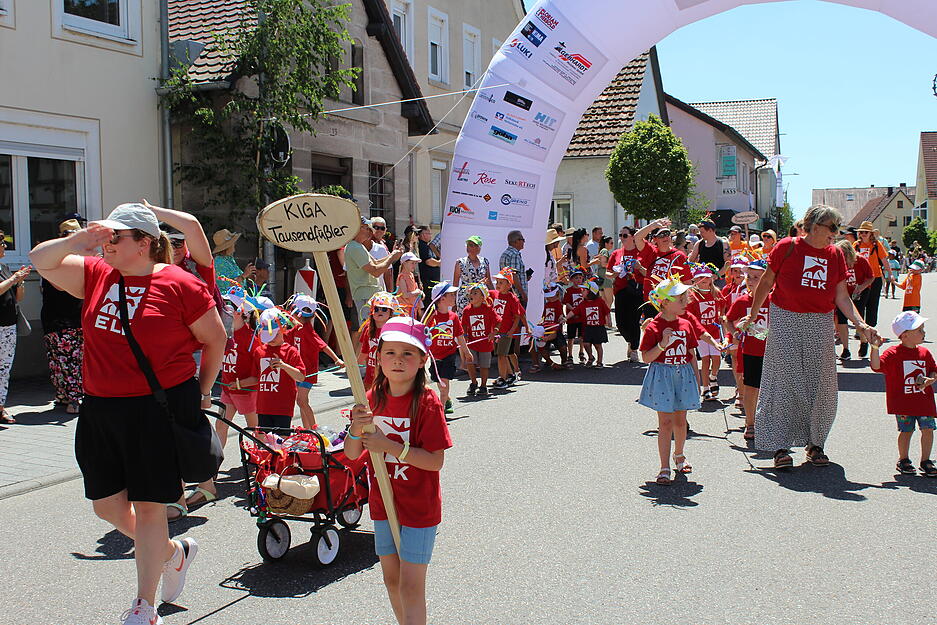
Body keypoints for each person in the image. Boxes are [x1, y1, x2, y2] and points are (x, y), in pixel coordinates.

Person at [29, 203, 226, 624]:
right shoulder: (97, 274)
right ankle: (171, 553)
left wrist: (204, 391)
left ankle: (144, 606)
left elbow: (216, 339)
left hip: (156, 408)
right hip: (100, 407)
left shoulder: (180, 283)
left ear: (144, 243)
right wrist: (79, 240)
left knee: (151, 506)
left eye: (116, 236)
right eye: (107, 235)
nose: (108, 242)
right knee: (107, 508)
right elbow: (40, 259)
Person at [743, 205, 878, 469]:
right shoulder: (786, 247)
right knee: (783, 382)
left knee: (821, 384)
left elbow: (842, 295)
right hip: (785, 317)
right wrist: (754, 313)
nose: (835, 233)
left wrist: (861, 324)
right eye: (832, 228)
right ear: (814, 226)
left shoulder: (835, 255)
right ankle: (780, 446)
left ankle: (816, 444)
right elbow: (767, 282)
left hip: (820, 321)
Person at [344, 316, 453, 625]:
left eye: (408, 353)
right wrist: (355, 428)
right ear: (378, 357)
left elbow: (435, 461)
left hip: (419, 508)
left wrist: (389, 446)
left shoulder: (427, 402)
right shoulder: (370, 399)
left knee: (410, 586)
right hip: (383, 503)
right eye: (390, 352)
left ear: (422, 359)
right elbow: (352, 454)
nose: (398, 360)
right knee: (392, 581)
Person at [639, 275, 723, 485]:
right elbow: (646, 357)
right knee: (665, 422)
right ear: (665, 302)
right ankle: (664, 466)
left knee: (680, 420)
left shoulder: (686, 323)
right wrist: (662, 344)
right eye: (681, 299)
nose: (686, 302)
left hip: (683, 375)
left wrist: (697, 379)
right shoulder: (654, 327)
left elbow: (691, 353)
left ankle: (679, 454)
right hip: (662, 376)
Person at [870, 311, 937, 477]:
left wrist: (931, 379)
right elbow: (876, 366)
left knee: (928, 429)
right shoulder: (893, 353)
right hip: (903, 403)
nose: (923, 332)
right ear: (905, 335)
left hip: (924, 401)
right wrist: (875, 347)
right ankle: (903, 459)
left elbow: (933, 370)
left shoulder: (925, 353)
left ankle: (926, 461)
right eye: (919, 330)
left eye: (923, 329)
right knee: (906, 431)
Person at [724, 259, 771, 440]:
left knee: (770, 389)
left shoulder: (775, 300)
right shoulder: (742, 301)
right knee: (750, 387)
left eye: (756, 277)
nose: (750, 280)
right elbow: (728, 320)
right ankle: (750, 423)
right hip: (751, 351)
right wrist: (735, 332)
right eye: (749, 277)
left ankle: (767, 422)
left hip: (772, 351)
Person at [41, 219, 84, 415]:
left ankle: (67, 396)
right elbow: (61, 286)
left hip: (74, 317)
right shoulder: (56, 261)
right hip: (59, 318)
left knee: (72, 360)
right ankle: (70, 399)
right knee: (62, 360)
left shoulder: (78, 260)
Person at [288, 294, 343, 429]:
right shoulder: (293, 329)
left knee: (301, 401)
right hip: (297, 370)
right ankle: (307, 430)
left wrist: (336, 359)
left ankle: (313, 429)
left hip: (308, 372)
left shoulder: (307, 330)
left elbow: (323, 346)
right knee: (301, 402)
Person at [345, 217, 404, 326]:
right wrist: (392, 257)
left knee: (376, 328)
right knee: (369, 329)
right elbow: (375, 271)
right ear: (358, 229)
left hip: (370, 295)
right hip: (365, 296)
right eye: (367, 228)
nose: (371, 231)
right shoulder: (355, 247)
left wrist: (392, 255)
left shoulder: (358, 246)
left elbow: (376, 263)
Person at [254, 307, 305, 429]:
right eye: (268, 336)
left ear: (284, 328)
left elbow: (301, 377)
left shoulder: (291, 351)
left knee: (281, 439)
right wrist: (238, 384)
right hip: (263, 406)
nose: (271, 339)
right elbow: (255, 377)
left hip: (283, 407)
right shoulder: (259, 351)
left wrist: (283, 366)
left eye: (274, 335)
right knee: (265, 438)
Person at [426, 282, 472, 414]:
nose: (454, 296)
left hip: (448, 355)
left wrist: (466, 352)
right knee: (439, 383)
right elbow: (425, 335)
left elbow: (459, 336)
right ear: (441, 299)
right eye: (451, 294)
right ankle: (447, 400)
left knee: (444, 383)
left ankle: (440, 412)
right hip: (435, 357)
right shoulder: (431, 317)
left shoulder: (454, 317)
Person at [0, 231, 30, 424]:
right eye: (1, 243)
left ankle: (0, 407)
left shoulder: (4, 267)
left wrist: (19, 282)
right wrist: (13, 279)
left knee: (4, 369)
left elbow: (18, 298)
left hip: (8, 325)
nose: (5, 246)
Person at [854, 221, 893, 357]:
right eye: (861, 232)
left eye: (866, 232)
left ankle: (870, 340)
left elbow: (884, 260)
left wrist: (890, 274)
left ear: (871, 234)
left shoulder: (876, 245)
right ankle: (863, 341)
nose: (863, 234)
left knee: (872, 310)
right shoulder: (856, 245)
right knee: (859, 310)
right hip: (861, 280)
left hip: (875, 279)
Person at [686, 263, 724, 401]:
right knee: (705, 360)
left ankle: (713, 377)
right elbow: (689, 315)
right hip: (701, 334)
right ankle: (706, 388)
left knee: (717, 358)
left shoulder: (716, 292)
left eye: (706, 277)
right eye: (700, 277)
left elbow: (723, 304)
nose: (704, 279)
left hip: (714, 331)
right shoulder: (692, 295)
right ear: (695, 280)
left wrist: (721, 315)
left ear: (711, 278)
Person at [634, 218, 693, 302]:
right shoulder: (651, 251)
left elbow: (687, 282)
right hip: (652, 301)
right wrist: (652, 225)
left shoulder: (679, 256)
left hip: (670, 303)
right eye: (661, 235)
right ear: (655, 239)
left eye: (667, 234)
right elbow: (637, 237)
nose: (665, 237)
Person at [607, 226, 643, 361]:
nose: (622, 238)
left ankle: (634, 349)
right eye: (620, 235)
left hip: (636, 290)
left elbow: (648, 272)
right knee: (621, 323)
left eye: (625, 235)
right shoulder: (616, 253)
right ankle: (630, 341)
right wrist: (614, 274)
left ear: (633, 237)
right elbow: (608, 272)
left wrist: (640, 268)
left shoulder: (640, 252)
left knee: (634, 321)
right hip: (620, 290)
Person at [834, 240, 873, 360]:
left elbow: (871, 277)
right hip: (843, 293)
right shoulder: (837, 262)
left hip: (860, 291)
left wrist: (861, 288)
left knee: (857, 318)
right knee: (841, 319)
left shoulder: (861, 260)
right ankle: (846, 349)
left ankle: (863, 341)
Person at [460, 284, 500, 396]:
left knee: (484, 365)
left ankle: (483, 386)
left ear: (483, 297)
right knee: (470, 362)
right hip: (472, 342)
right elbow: (463, 325)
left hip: (485, 343)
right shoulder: (467, 310)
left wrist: (494, 332)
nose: (471, 295)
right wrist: (465, 335)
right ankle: (473, 383)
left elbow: (498, 321)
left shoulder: (488, 309)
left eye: (475, 293)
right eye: (471, 293)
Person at [490, 270, 527, 388]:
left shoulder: (512, 298)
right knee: (503, 355)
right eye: (497, 282)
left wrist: (512, 331)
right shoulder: (494, 294)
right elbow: (483, 293)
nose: (498, 285)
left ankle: (504, 378)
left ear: (508, 285)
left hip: (506, 332)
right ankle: (510, 375)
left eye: (501, 282)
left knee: (503, 355)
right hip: (497, 331)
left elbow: (518, 316)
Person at [358, 292, 400, 389]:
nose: (379, 311)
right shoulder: (368, 329)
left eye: (384, 309)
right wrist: (354, 365)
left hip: (387, 375)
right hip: (370, 374)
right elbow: (364, 351)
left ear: (390, 313)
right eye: (376, 309)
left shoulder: (393, 331)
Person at [568, 281, 611, 367]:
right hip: (587, 327)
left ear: (590, 292)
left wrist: (609, 321)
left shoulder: (600, 301)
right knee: (586, 344)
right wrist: (566, 318)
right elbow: (574, 311)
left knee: (598, 345)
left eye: (584, 290)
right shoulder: (583, 303)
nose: (581, 291)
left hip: (598, 327)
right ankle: (591, 357)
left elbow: (607, 311)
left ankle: (599, 362)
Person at [530, 283, 568, 371]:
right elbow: (543, 316)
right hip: (545, 329)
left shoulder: (558, 304)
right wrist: (540, 323)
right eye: (547, 296)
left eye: (551, 296)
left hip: (555, 329)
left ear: (557, 294)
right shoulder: (546, 305)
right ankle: (539, 363)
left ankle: (564, 361)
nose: (548, 298)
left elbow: (560, 315)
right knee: (534, 342)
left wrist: (561, 319)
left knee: (562, 347)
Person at [452, 235, 493, 314]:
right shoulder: (460, 262)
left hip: (480, 298)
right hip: (465, 298)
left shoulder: (485, 261)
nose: (470, 248)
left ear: (479, 248)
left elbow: (489, 282)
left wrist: (494, 297)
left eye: (474, 245)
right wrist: (454, 302)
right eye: (469, 245)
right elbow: (455, 284)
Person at [212, 228, 253, 294]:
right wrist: (244, 275)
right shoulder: (219, 262)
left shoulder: (229, 259)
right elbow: (228, 285)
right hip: (227, 299)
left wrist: (247, 275)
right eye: (233, 242)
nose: (235, 243)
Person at [563, 269, 588, 365]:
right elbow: (566, 302)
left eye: (580, 278)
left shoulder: (584, 290)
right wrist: (574, 310)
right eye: (576, 278)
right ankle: (570, 355)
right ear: (571, 280)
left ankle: (581, 352)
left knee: (582, 336)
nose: (579, 280)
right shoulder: (568, 290)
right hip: (572, 318)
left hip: (582, 317)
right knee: (571, 337)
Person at [499, 230, 528, 307]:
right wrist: (522, 293)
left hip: (508, 293)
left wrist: (525, 277)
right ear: (516, 241)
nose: (524, 242)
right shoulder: (514, 255)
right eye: (522, 240)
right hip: (517, 295)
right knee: (519, 314)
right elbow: (513, 276)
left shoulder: (505, 254)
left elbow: (508, 275)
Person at [416, 226, 441, 302]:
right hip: (427, 281)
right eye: (429, 233)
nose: (430, 235)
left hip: (430, 281)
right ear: (423, 234)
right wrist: (439, 263)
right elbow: (428, 261)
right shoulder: (422, 246)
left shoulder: (425, 245)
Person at [396, 251, 424, 317]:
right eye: (412, 263)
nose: (414, 265)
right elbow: (405, 295)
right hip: (404, 310)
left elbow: (414, 290)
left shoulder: (411, 275)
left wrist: (421, 294)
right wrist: (417, 292)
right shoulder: (402, 277)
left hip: (412, 309)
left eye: (415, 263)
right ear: (404, 263)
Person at [369, 217, 392, 291]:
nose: (379, 230)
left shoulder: (383, 245)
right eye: (376, 227)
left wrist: (390, 291)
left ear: (385, 230)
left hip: (381, 287)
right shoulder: (367, 244)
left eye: (382, 228)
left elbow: (388, 269)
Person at [595, 235, 614, 324]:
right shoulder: (605, 251)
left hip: (602, 279)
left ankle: (606, 322)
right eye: (611, 243)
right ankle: (606, 321)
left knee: (605, 301)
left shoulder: (602, 251)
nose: (612, 245)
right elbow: (603, 264)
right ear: (606, 243)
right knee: (609, 301)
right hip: (606, 279)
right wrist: (614, 266)